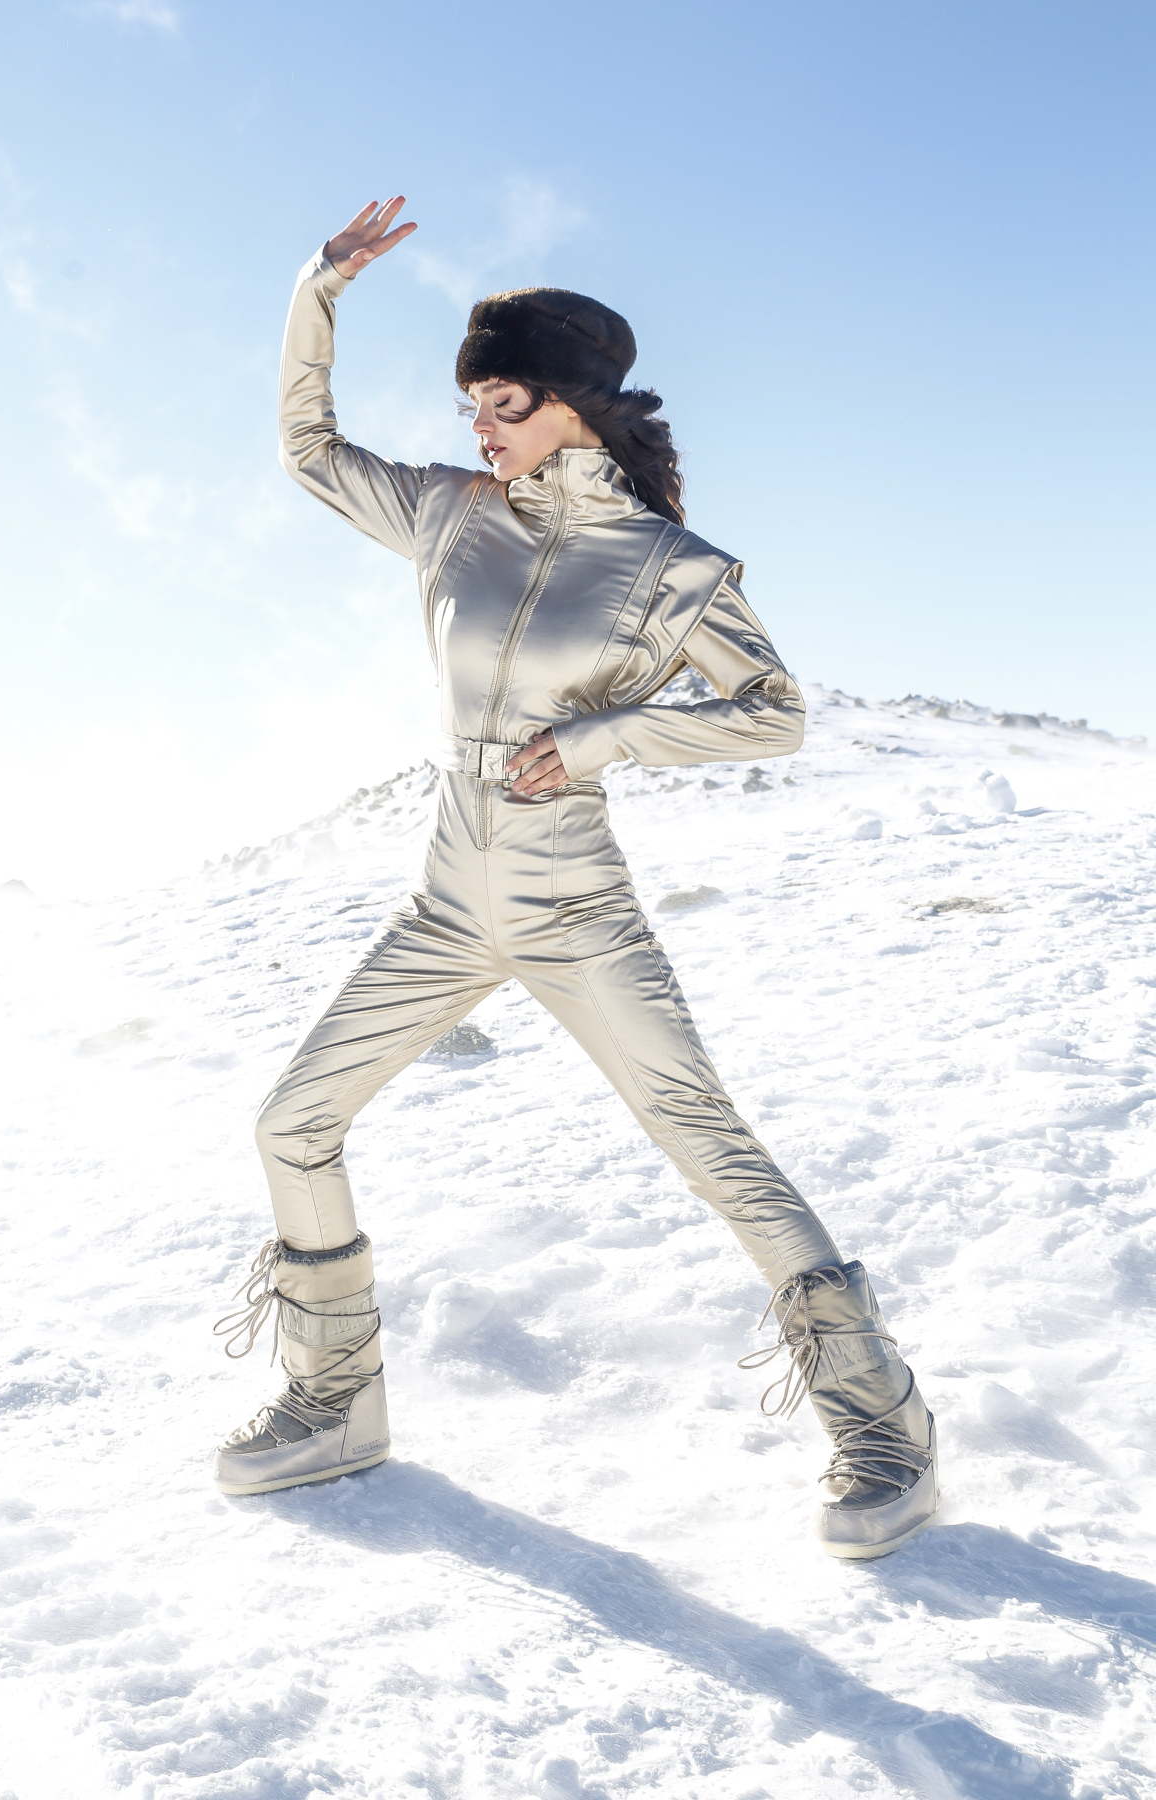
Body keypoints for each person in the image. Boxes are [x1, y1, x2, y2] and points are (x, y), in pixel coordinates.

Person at [212, 197, 940, 1559]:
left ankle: (881, 1421)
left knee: (709, 1145)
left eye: (502, 402)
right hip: (446, 900)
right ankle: (336, 1402)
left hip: (573, 908)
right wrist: (316, 290)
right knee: (292, 1123)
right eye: (472, 404)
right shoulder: (447, 516)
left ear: (574, 406)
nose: (478, 428)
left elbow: (771, 711)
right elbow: (306, 448)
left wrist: (606, 734)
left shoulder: (672, 569)